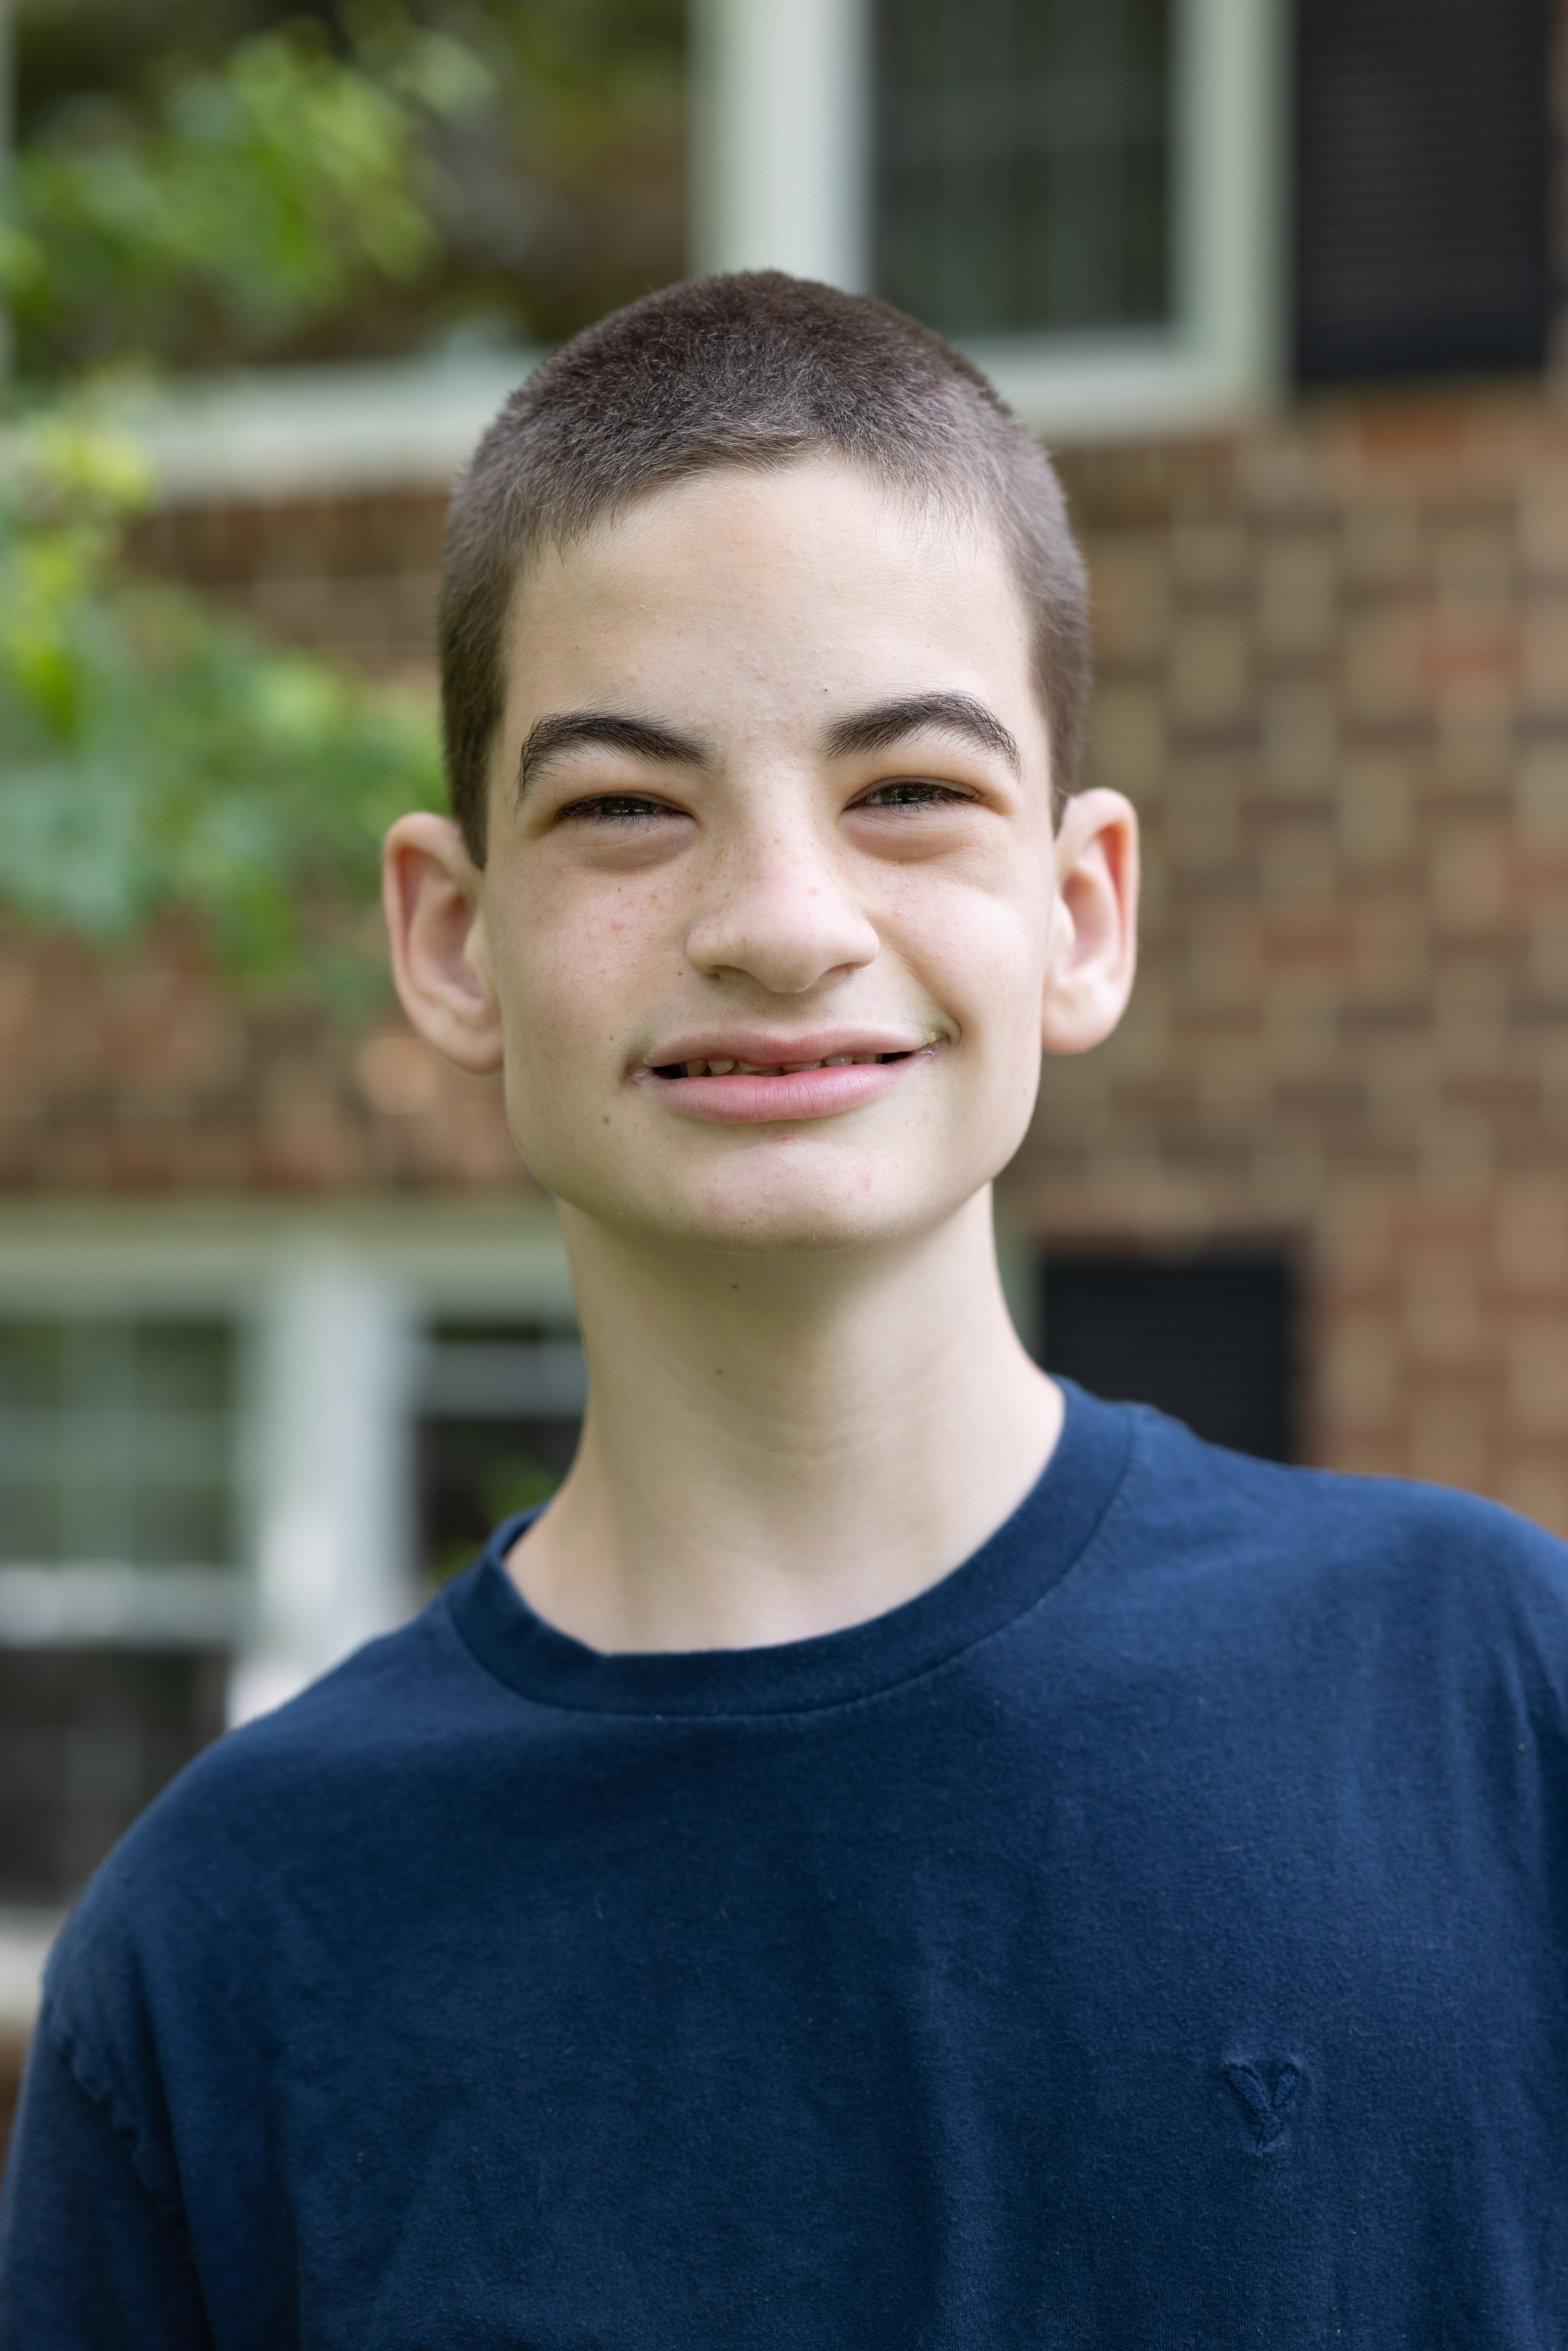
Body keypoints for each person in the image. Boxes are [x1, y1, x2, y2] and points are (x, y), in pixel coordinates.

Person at [2, 272, 1566, 2348]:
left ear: (1079, 913)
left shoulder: (1491, 1703)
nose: (780, 922)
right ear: (455, 942)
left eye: (909, 788)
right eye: (629, 807)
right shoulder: (222, 1952)